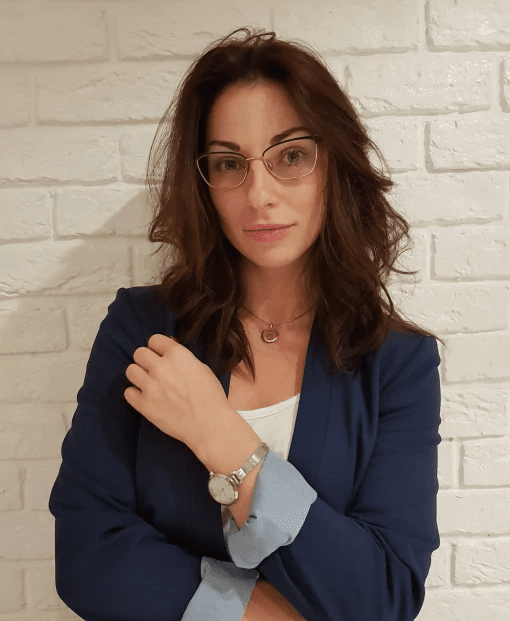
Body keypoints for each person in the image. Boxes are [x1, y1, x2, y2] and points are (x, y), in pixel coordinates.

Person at [49, 27, 445, 621]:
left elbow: (384, 597)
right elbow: (87, 553)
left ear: (334, 165)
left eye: (291, 156)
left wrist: (220, 436)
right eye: (230, 163)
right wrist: (252, 612)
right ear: (203, 184)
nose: (259, 194)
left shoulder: (397, 364)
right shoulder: (144, 331)